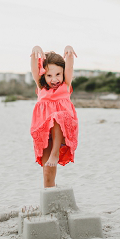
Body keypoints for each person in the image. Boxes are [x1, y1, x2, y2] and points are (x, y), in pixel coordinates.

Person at [29, 45, 78, 188]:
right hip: (44, 130)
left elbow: (69, 67)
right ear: (43, 75)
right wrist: (34, 52)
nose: (54, 79)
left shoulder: (66, 85)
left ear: (63, 74)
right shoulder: (41, 87)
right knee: (47, 169)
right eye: (49, 75)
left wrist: (68, 52)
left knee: (56, 116)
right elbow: (33, 69)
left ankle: (55, 152)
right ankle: (50, 193)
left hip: (62, 126)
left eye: (58, 74)